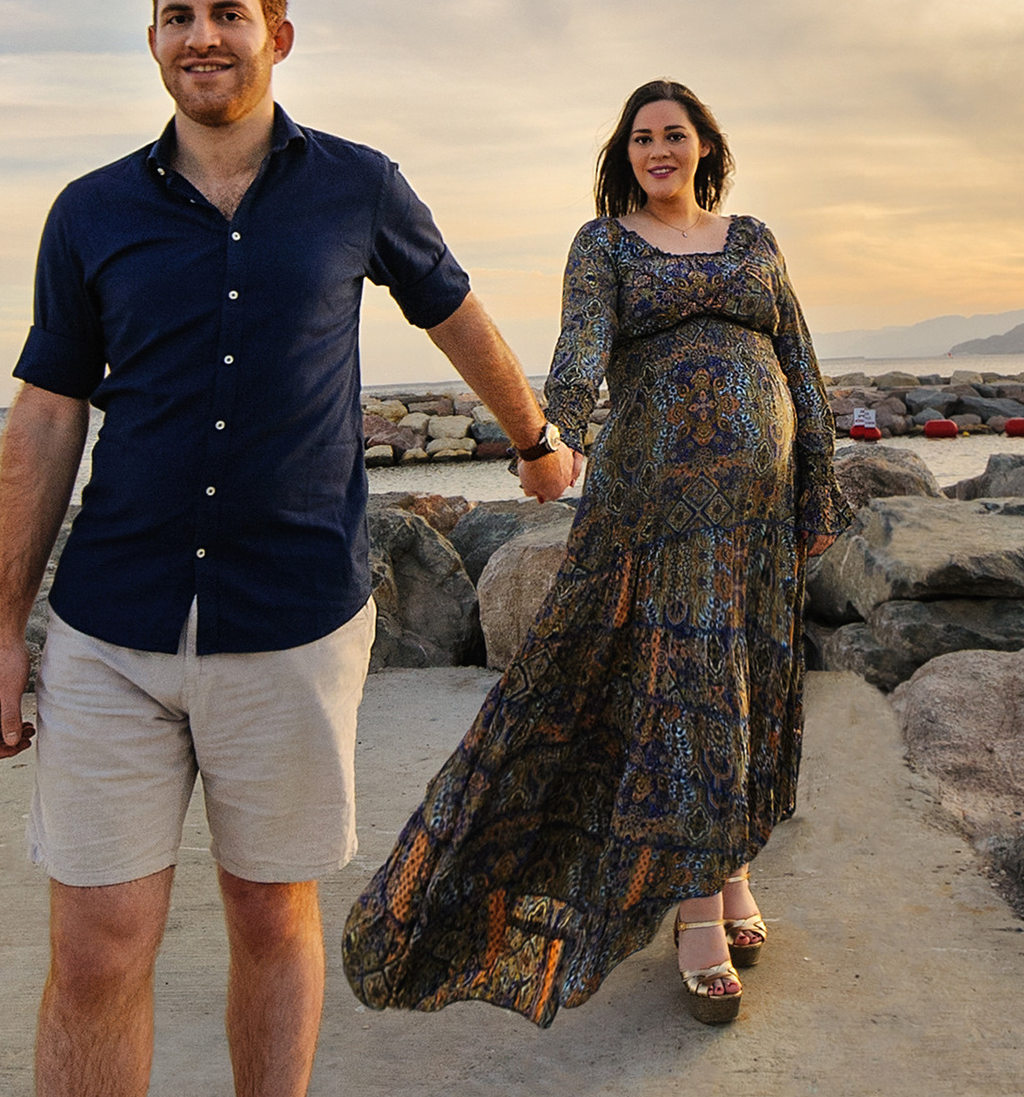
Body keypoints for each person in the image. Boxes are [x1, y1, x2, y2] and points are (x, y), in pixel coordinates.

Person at [0, 0, 575, 1097]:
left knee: (268, 916)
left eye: (228, 13)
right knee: (96, 946)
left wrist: (534, 440)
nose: (203, 37)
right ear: (152, 43)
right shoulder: (91, 213)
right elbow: (46, 417)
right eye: (177, 17)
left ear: (278, 36)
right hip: (112, 626)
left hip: (291, 622)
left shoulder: (354, 185)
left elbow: (453, 309)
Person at [341, 77, 845, 1031]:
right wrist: (554, 436)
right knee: (685, 692)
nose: (659, 150)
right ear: (626, 155)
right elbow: (581, 349)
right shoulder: (604, 244)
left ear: (704, 147)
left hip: (758, 510)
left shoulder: (754, 240)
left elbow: (800, 364)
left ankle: (731, 871)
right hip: (660, 507)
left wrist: (819, 484)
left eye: (675, 135)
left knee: (745, 680)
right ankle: (697, 914)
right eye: (642, 138)